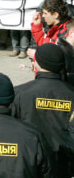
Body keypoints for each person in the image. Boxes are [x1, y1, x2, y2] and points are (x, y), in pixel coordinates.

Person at [11, 43, 74, 177]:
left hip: (30, 161)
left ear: (37, 63)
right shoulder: (71, 94)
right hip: (64, 165)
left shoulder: (20, 93)